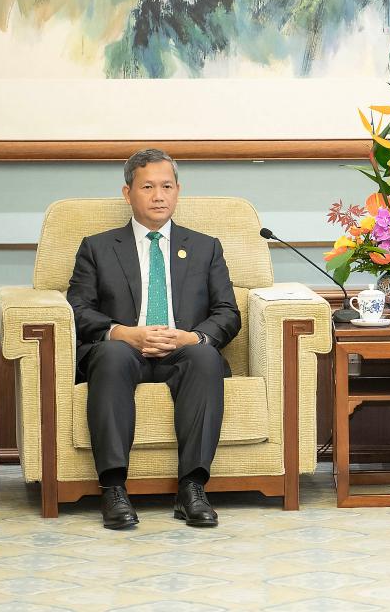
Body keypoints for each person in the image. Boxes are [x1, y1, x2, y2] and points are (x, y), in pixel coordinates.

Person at [67, 148, 241, 530]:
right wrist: (122, 332)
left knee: (206, 357)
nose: (158, 196)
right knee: (111, 355)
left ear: (178, 191)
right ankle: (114, 489)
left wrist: (192, 337)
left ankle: (192, 488)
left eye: (166, 186)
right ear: (128, 193)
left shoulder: (205, 247)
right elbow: (77, 308)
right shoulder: (97, 247)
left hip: (181, 351)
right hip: (123, 349)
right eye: (147, 187)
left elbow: (228, 312)